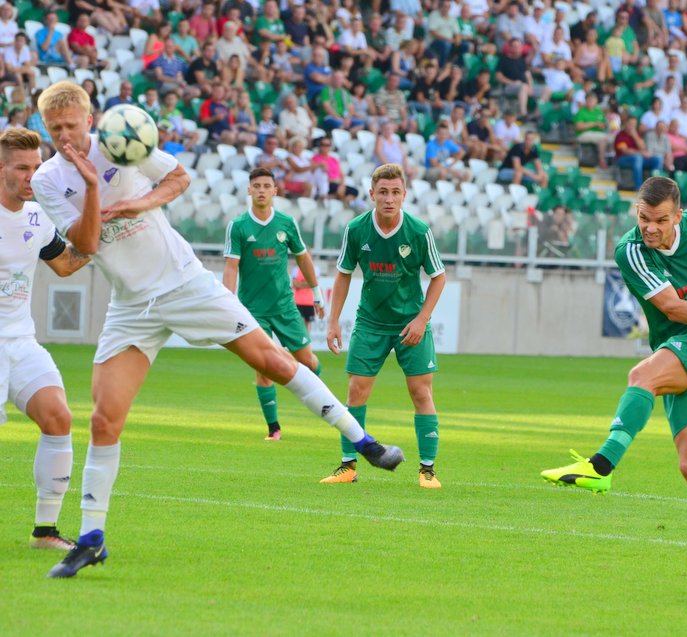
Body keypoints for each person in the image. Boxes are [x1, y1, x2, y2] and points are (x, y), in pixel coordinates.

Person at [31, 81, 404, 578]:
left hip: (185, 283)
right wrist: (95, 188)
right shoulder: (49, 180)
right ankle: (92, 538)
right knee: (104, 419)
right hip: (132, 306)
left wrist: (142, 203)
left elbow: (179, 178)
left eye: (71, 126)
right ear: (44, 128)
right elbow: (86, 241)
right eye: (54, 129)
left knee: (273, 361)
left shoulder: (126, 141)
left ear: (90, 119)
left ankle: (364, 442)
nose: (64, 136)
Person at [541, 176, 687, 594]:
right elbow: (669, 305)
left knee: (641, 376)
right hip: (685, 346)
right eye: (644, 218)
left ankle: (601, 466)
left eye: (660, 220)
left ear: (678, 216)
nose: (650, 228)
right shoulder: (631, 250)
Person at [324, 163, 446, 488]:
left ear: (404, 195)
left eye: (395, 193)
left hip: (411, 325)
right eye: (383, 193)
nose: (389, 199)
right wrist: (333, 321)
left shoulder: (418, 232)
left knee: (421, 392)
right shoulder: (357, 229)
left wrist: (422, 319)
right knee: (355, 390)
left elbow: (438, 277)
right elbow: (343, 274)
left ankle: (428, 470)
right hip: (370, 323)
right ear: (372, 195)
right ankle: (348, 466)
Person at [0, 128, 91, 553]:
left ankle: (45, 531)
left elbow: (66, 264)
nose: (31, 177)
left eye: (37, 168)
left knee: (59, 418)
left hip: (21, 342)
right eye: (21, 168)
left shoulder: (37, 217)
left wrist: (99, 236)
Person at [224, 168, 325, 440]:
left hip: (285, 307)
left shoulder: (286, 223)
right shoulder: (239, 225)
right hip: (253, 310)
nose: (261, 190)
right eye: (256, 185)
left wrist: (316, 292)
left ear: (275, 191)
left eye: (266, 185)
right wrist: (227, 303)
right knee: (264, 367)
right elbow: (231, 266)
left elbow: (303, 258)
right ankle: (274, 428)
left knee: (308, 361)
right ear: (249, 190)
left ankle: (322, 398)